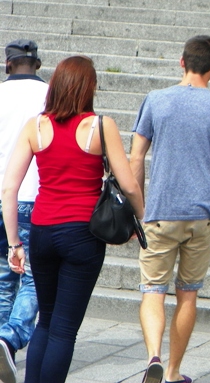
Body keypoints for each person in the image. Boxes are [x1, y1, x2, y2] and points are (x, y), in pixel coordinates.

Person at [1, 56, 144, 383]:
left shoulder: (35, 126)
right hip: (83, 235)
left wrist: (14, 244)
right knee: (65, 329)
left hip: (42, 231)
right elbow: (130, 184)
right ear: (88, 88)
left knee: (45, 322)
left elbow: (9, 187)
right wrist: (142, 220)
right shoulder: (99, 125)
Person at [131, 36, 210, 383]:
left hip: (161, 211)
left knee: (153, 290)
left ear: (182, 62)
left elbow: (136, 156)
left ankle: (154, 356)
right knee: (188, 295)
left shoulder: (156, 100)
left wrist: (140, 208)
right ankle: (175, 372)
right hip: (202, 213)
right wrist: (208, 150)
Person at [0, 40, 48, 383]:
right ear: (38, 64)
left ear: (8, 65)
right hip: (34, 195)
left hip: (2, 194)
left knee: (3, 276)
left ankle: (3, 343)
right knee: (31, 277)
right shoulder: (50, 97)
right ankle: (10, 337)